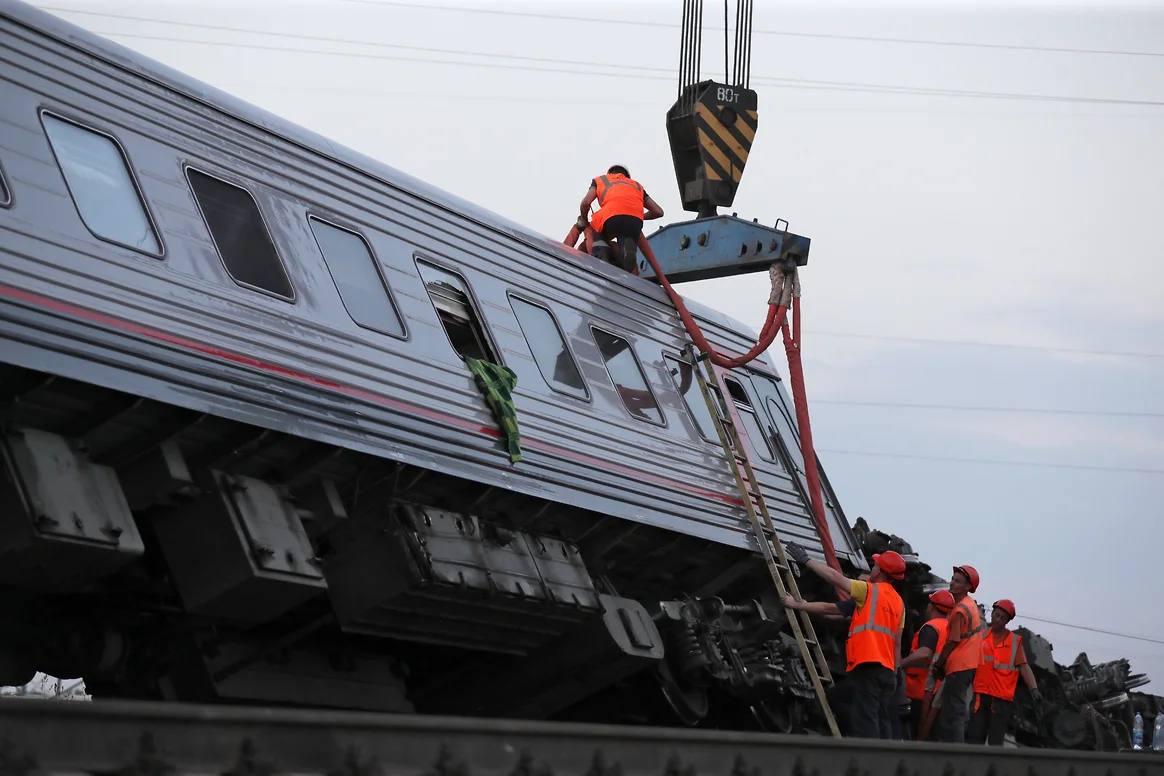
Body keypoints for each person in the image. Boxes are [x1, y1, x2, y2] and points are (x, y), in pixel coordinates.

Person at [783, 544, 906, 739]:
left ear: (881, 572)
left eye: (874, 566)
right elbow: (830, 609)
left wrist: (806, 560)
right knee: (878, 718)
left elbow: (835, 578)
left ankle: (869, 764)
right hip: (888, 672)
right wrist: (896, 673)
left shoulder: (868, 590)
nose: (871, 569)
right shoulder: (898, 603)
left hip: (868, 665)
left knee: (866, 722)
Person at [967, 599, 1041, 745]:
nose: (998, 619)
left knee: (996, 742)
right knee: (974, 740)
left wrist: (1034, 689)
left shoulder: (1014, 642)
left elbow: (1024, 667)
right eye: (996, 615)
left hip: (1001, 702)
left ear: (1007, 621)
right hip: (980, 697)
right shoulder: (980, 637)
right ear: (992, 613)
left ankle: (993, 767)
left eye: (1002, 618)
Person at [930, 564, 983, 743]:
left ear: (968, 587)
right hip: (968, 665)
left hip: (959, 666)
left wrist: (939, 663)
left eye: (958, 581)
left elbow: (953, 641)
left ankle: (954, 752)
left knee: (953, 713)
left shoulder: (960, 610)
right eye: (953, 579)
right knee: (956, 710)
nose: (952, 583)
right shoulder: (969, 605)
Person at [577, 165, 664, 272]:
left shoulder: (601, 180)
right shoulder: (637, 186)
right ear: (627, 177)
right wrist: (639, 216)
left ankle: (602, 254)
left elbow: (585, 203)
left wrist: (585, 221)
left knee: (595, 228)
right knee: (626, 237)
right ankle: (627, 256)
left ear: (609, 173)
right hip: (635, 223)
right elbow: (658, 211)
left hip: (610, 217)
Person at [899, 589, 955, 739]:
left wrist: (900, 663)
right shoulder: (950, 629)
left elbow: (925, 653)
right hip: (938, 693)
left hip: (920, 691)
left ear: (931, 606)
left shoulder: (931, 627)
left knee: (916, 733)